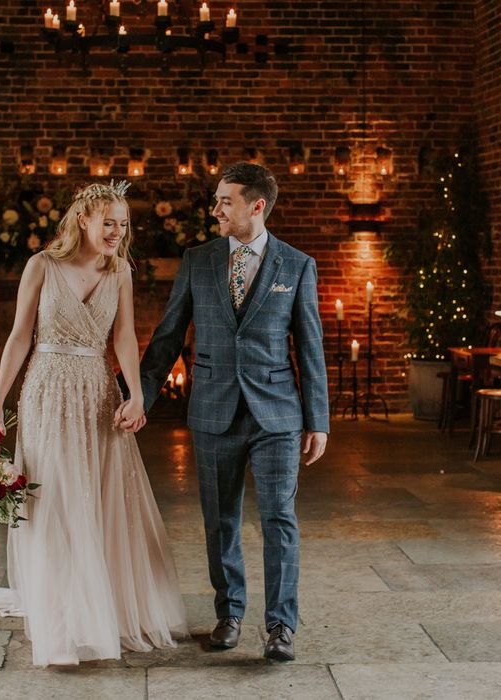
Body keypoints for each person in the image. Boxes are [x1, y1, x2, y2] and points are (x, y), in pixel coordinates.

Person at [0, 181, 188, 667]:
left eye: (123, 224)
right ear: (83, 220)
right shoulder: (41, 266)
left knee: (101, 498)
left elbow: (126, 337)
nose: (116, 232)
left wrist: (135, 393)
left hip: (97, 393)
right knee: (56, 501)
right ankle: (62, 622)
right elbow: (19, 336)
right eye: (108, 222)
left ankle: (101, 612)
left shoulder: (120, 273)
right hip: (47, 392)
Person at [118, 162, 329, 662]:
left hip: (277, 413)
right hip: (213, 410)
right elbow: (168, 335)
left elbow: (311, 347)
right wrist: (139, 393)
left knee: (279, 518)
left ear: (256, 206)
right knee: (220, 521)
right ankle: (229, 613)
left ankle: (280, 626)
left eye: (225, 201)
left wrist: (318, 419)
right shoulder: (199, 260)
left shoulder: (296, 265)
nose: (215, 209)